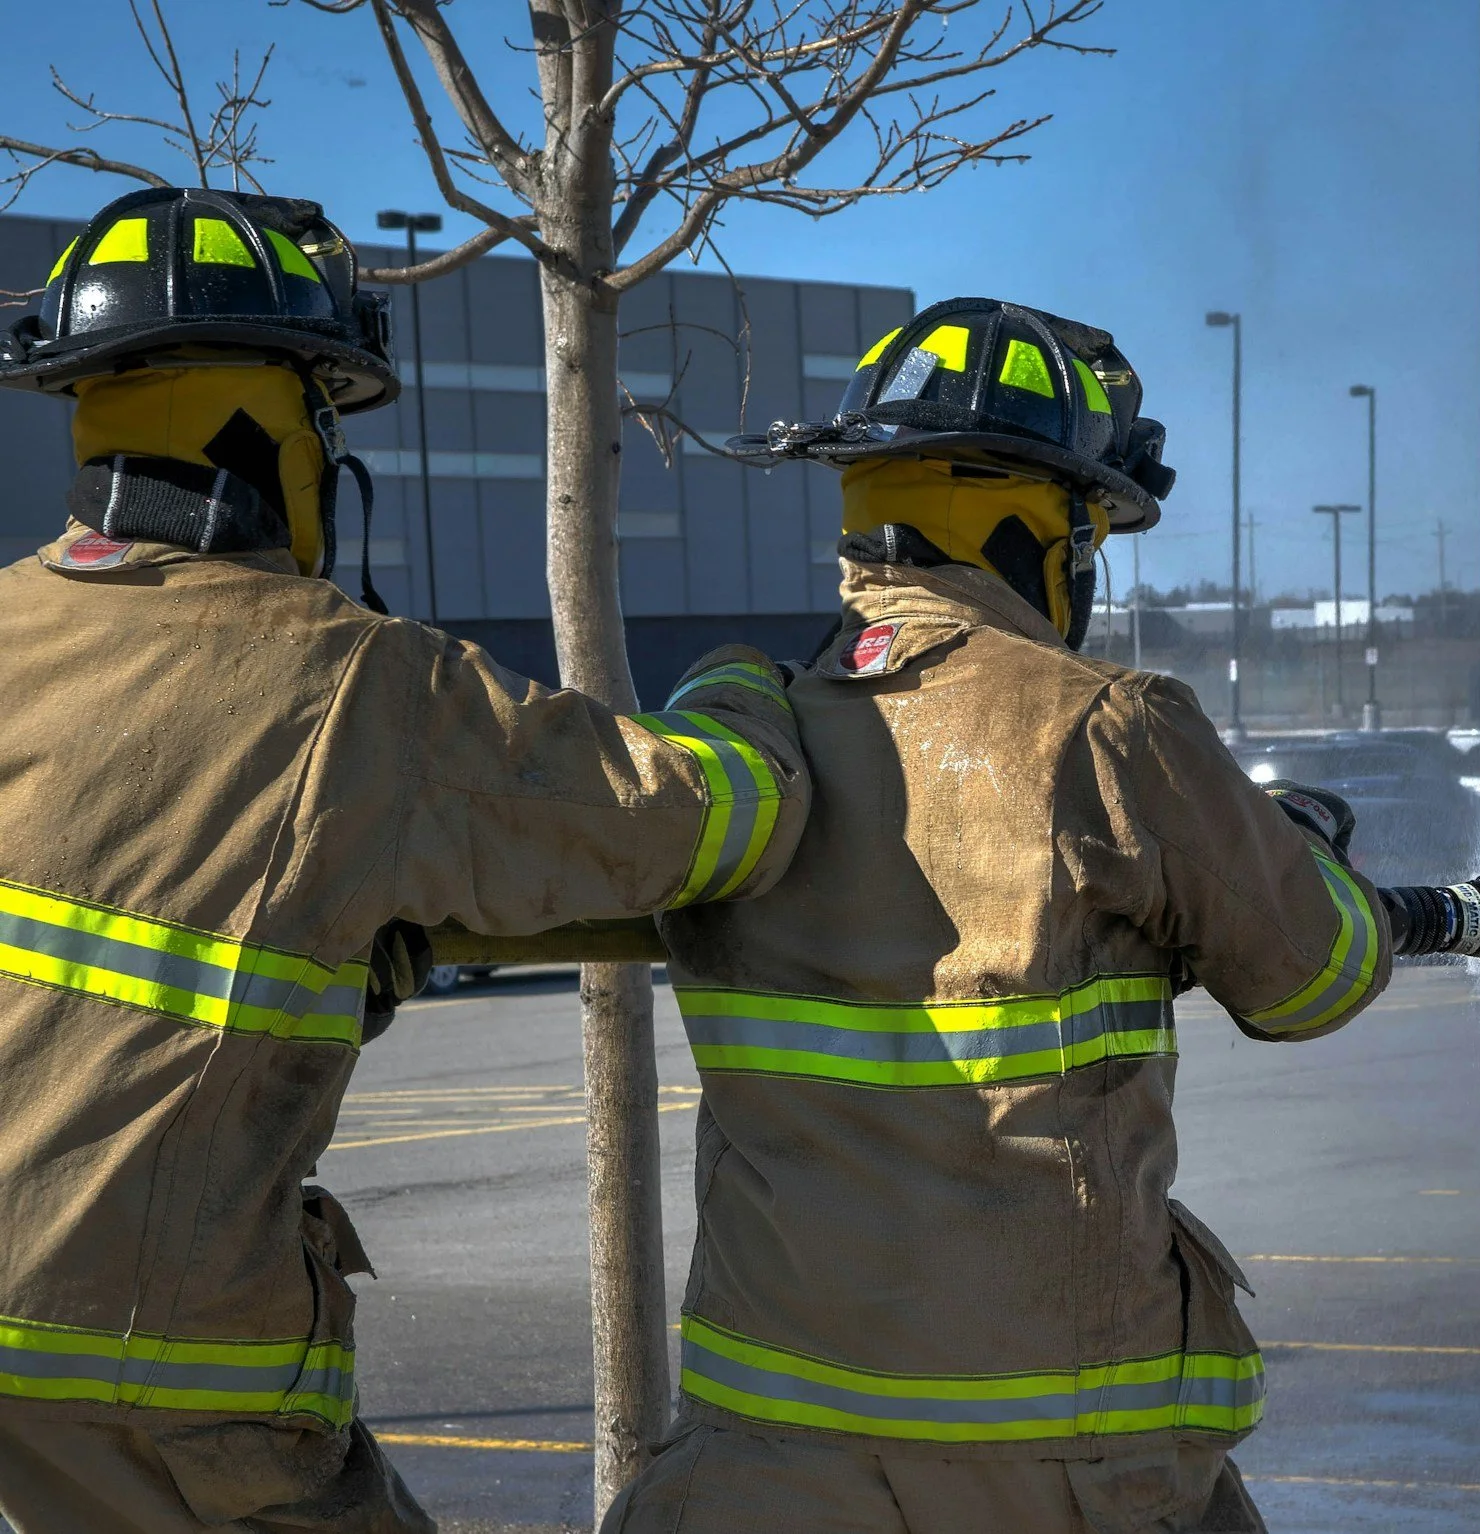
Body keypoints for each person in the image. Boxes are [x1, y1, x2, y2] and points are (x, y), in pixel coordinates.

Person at [0, 186, 810, 1533]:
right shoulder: (360, 685)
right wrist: (743, 690)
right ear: (288, 435)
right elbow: (702, 822)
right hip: (155, 1358)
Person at [607, 299, 1390, 1534]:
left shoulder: (749, 735)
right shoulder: (1107, 724)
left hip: (761, 1466)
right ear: (1050, 530)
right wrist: (1294, 851)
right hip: (1060, 1471)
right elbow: (1316, 978)